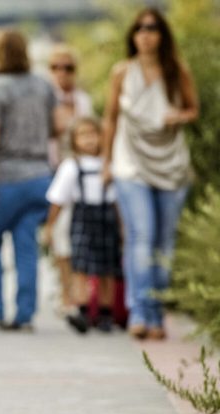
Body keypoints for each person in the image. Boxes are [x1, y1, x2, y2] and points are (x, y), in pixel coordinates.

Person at [102, 7, 199, 341]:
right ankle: (141, 313)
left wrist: (178, 116)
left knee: (164, 243)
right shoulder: (121, 72)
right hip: (130, 163)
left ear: (162, 35)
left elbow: (193, 109)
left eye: (153, 28)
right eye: (140, 28)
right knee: (141, 237)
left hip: (170, 164)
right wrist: (105, 163)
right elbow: (110, 119)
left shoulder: (176, 71)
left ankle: (157, 314)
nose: (146, 34)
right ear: (133, 35)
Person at [0, 28, 57, 331]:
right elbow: (57, 128)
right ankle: (25, 314)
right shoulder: (44, 86)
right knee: (26, 244)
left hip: (6, 177)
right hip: (39, 176)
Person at [45, 118, 121, 334]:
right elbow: (57, 199)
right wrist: (50, 225)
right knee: (80, 267)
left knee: (107, 269)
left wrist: (123, 228)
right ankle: (83, 310)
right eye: (83, 135)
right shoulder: (70, 166)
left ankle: (106, 313)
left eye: (93, 134)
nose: (89, 140)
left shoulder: (109, 165)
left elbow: (117, 202)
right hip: (83, 218)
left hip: (106, 218)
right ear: (74, 141)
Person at [46, 44, 95, 315]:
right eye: (56, 67)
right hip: (54, 170)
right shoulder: (46, 98)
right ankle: (65, 290)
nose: (62, 73)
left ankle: (76, 291)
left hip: (80, 175)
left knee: (76, 234)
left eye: (68, 67)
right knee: (59, 235)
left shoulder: (83, 100)